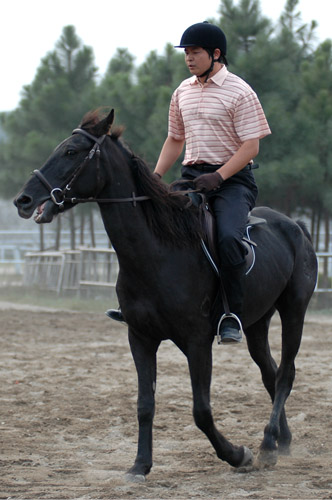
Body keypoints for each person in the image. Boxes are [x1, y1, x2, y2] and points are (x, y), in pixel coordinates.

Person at [106, 21, 271, 344]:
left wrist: (220, 175)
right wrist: (153, 179)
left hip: (233, 182)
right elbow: (174, 139)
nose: (189, 58)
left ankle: (231, 314)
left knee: (226, 238)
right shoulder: (182, 91)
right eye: (187, 53)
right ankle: (136, 304)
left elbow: (251, 146)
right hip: (193, 178)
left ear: (216, 54)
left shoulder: (240, 91)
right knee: (147, 225)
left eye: (195, 52)